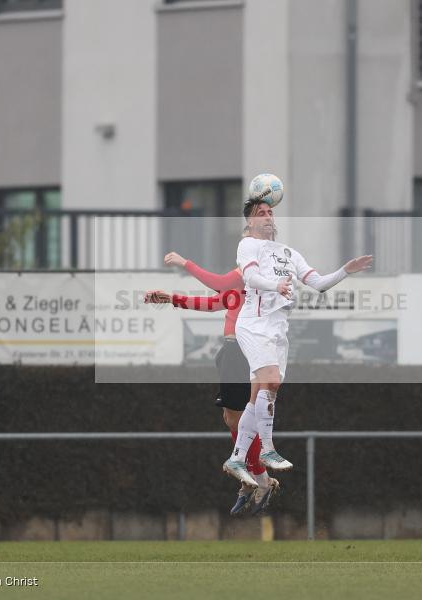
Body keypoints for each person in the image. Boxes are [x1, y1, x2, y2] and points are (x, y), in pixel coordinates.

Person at [222, 194, 373, 487]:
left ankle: (237, 457)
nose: (268, 216)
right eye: (261, 213)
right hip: (254, 324)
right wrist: (275, 285)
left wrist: (346, 270)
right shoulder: (248, 245)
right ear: (250, 221)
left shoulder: (289, 253)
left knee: (260, 395)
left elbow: (317, 283)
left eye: (270, 212)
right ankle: (267, 450)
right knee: (271, 381)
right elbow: (251, 278)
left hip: (278, 329)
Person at [143, 252, 279, 516]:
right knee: (232, 418)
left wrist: (185, 263)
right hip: (233, 351)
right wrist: (172, 299)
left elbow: (217, 282)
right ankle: (254, 477)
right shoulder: (245, 284)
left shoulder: (254, 273)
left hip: (242, 349)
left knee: (238, 418)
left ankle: (260, 480)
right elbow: (214, 303)